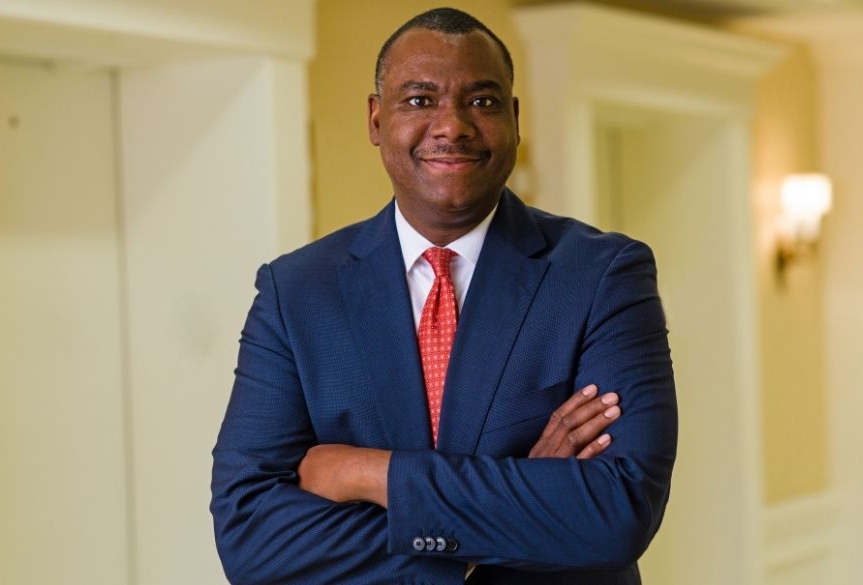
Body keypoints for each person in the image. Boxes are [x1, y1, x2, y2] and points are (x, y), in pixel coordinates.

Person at [210, 7, 677, 584]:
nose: (452, 126)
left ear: (513, 119)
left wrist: (367, 474)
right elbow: (250, 537)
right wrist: (512, 510)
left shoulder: (602, 275)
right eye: (419, 100)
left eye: (481, 101)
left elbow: (617, 512)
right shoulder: (296, 292)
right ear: (376, 119)